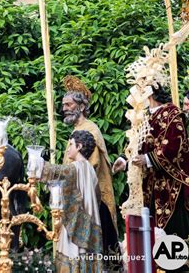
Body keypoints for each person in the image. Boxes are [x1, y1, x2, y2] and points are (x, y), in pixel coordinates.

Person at [113, 85, 189, 240]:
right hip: (150, 185)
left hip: (169, 186)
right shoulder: (145, 116)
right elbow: (137, 144)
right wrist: (125, 160)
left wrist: (148, 159)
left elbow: (175, 146)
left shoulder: (172, 114)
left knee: (171, 235)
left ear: (150, 93)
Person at [61, 75, 118, 253]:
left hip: (92, 199)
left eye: (68, 105)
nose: (64, 109)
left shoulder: (90, 129)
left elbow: (89, 166)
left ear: (82, 106)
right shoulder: (78, 129)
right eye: (63, 105)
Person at [38, 130, 103, 272]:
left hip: (74, 227)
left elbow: (53, 172)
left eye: (71, 145)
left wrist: (36, 158)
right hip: (91, 225)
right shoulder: (91, 170)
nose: (68, 149)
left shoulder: (74, 168)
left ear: (79, 147)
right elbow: (97, 197)